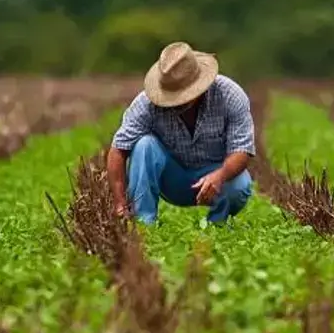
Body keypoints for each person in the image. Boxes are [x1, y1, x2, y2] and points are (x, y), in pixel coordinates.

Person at [107, 41, 255, 225]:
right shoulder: (146, 104)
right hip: (172, 179)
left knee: (240, 185)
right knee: (144, 145)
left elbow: (242, 150)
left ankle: (217, 226)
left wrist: (220, 176)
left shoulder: (230, 95)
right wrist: (120, 204)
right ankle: (144, 224)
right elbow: (118, 150)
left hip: (215, 176)